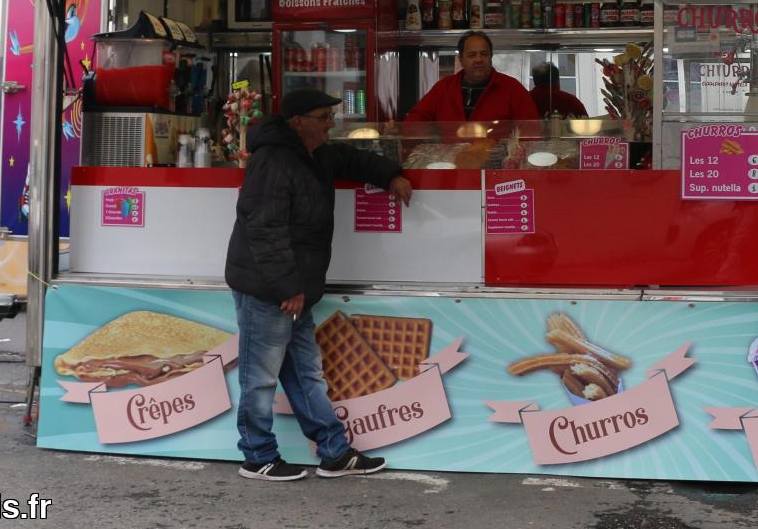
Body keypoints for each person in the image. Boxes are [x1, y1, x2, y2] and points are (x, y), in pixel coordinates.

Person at [225, 88, 413, 481]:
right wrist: (287, 287)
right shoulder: (273, 159)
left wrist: (391, 175)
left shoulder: (317, 154)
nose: (332, 123)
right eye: (324, 117)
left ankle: (334, 453)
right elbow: (264, 229)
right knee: (260, 379)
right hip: (270, 290)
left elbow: (353, 159)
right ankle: (257, 456)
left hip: (297, 290)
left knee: (306, 375)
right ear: (298, 122)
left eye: (332, 116)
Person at [404, 31, 539, 124]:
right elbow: (415, 121)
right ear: (461, 59)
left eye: (484, 54)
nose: (478, 60)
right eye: (472, 55)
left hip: (498, 157)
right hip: (450, 157)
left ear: (491, 57)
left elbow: (532, 132)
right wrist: (397, 129)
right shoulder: (443, 88)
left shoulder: (512, 88)